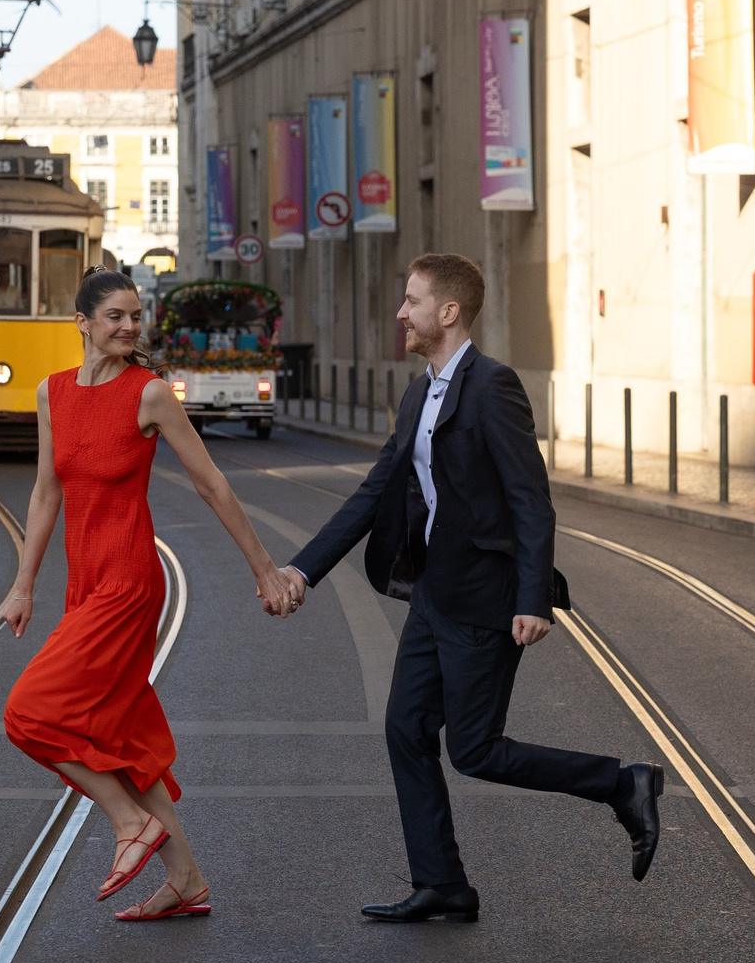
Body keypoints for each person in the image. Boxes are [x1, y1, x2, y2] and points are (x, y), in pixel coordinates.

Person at [279, 254, 663, 923]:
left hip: (486, 596)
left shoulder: (492, 387)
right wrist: (301, 570)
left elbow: (530, 500)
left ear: (448, 312)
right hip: (434, 592)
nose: (401, 312)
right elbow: (375, 491)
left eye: (412, 301)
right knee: (405, 727)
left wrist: (532, 599)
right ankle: (441, 882)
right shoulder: (418, 393)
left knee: (476, 750)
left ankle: (621, 782)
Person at [0, 269, 294, 923]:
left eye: (136, 316)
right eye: (115, 316)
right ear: (81, 322)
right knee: (123, 729)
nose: (130, 327)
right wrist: (23, 585)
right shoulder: (52, 393)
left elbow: (212, 483)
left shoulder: (150, 394)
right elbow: (46, 492)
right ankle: (185, 878)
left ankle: (128, 820)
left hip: (130, 583)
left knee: (27, 713)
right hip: (84, 583)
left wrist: (264, 568)